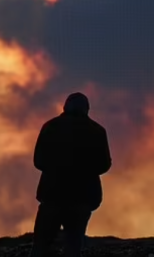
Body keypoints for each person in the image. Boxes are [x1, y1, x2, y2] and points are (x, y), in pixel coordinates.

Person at [29, 92, 112, 257]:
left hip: (52, 196)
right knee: (73, 245)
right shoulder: (97, 131)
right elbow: (104, 165)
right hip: (82, 199)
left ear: (65, 107)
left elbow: (38, 161)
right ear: (86, 109)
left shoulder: (50, 127)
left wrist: (56, 169)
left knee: (41, 245)